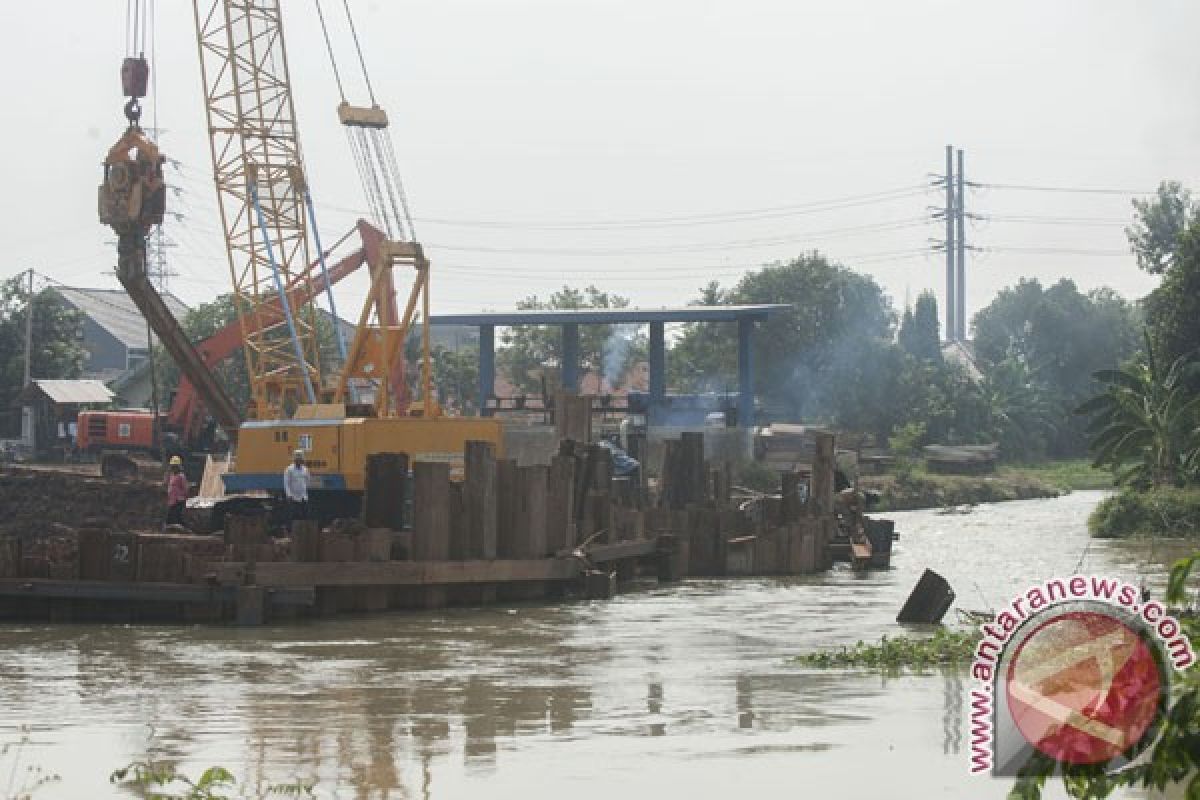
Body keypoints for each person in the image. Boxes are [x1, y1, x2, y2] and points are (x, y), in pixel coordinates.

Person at [283, 449, 310, 529]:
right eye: (297, 459)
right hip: (293, 497)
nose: (299, 460)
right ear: (294, 459)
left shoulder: (305, 469)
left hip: (303, 497)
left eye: (300, 459)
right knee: (292, 516)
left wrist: (305, 492)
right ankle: (291, 532)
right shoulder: (289, 469)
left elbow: (307, 480)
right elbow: (286, 483)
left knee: (304, 516)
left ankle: (302, 533)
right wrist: (289, 495)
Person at [165, 455, 188, 527]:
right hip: (172, 500)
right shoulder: (172, 476)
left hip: (178, 501)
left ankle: (182, 529)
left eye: (175, 466)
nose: (173, 468)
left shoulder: (181, 476)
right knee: (170, 517)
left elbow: (185, 489)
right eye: (172, 466)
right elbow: (168, 485)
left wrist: (181, 497)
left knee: (177, 517)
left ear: (178, 467)